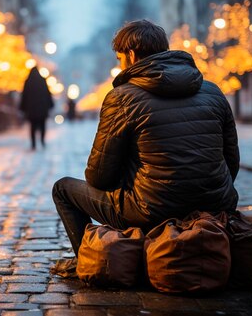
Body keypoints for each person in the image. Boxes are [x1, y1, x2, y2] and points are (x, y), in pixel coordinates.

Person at [51, 19, 239, 274]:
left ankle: (85, 260)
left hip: (151, 210)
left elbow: (100, 177)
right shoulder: (213, 91)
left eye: (119, 58)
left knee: (63, 189)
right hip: (215, 204)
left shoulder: (123, 97)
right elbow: (232, 162)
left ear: (130, 55)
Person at [19, 66, 54, 150]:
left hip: (31, 110)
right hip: (42, 109)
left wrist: (22, 107)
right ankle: (42, 141)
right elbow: (48, 94)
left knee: (33, 127)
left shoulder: (27, 81)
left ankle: (33, 144)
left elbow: (24, 95)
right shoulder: (42, 80)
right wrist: (50, 105)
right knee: (42, 126)